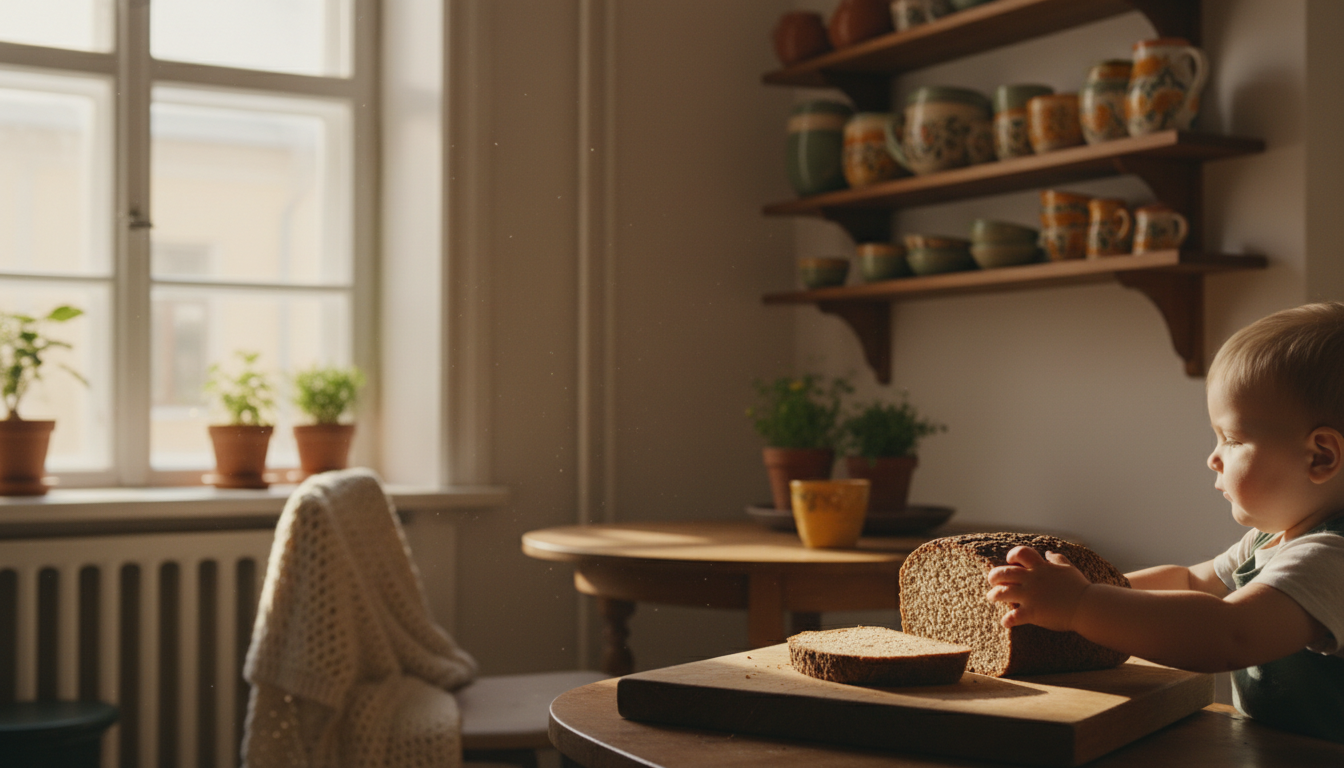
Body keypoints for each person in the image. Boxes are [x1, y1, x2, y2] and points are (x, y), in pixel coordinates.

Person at [985, 302, 1344, 743]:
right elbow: (1191, 583)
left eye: (1231, 439)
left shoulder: (1330, 557)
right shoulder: (1271, 540)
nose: (1213, 458)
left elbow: (1229, 634)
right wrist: (1072, 598)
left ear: (1321, 456)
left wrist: (1082, 605)